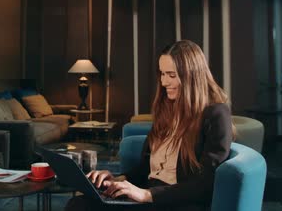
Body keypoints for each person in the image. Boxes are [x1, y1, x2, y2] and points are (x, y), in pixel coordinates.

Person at [65, 40, 234, 211]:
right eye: (162, 74)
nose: (164, 82)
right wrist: (117, 180)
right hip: (148, 194)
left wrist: (147, 195)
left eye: (171, 75)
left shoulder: (216, 114)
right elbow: (146, 168)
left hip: (177, 202)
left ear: (192, 76)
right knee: (79, 204)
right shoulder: (168, 110)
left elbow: (206, 184)